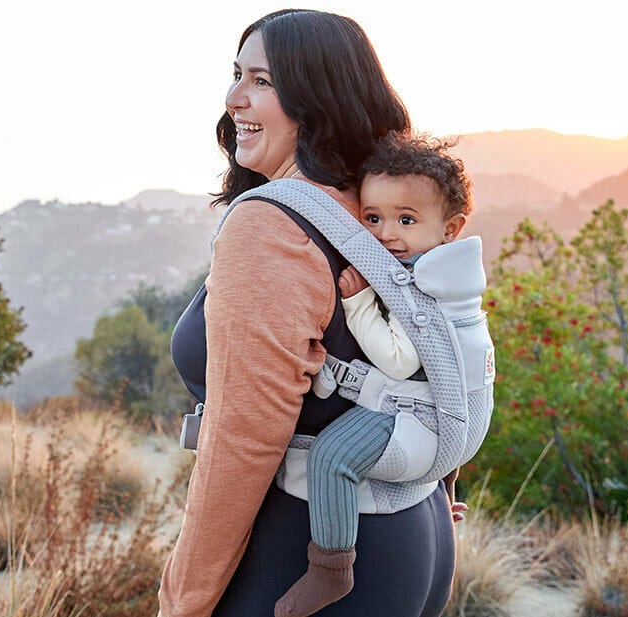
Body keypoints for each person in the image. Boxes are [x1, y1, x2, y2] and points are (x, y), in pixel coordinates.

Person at [157, 10, 462, 617]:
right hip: (412, 531)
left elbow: (245, 440)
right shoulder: (387, 210)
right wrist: (440, 473)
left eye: (262, 81)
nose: (233, 98)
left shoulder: (269, 227)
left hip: (304, 553)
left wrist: (182, 599)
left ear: (316, 98)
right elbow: (440, 351)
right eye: (236, 74)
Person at [275, 133, 475, 617]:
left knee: (332, 458)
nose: (385, 233)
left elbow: (399, 360)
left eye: (406, 220)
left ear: (450, 229)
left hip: (419, 418)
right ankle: (442, 498)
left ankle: (330, 568)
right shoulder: (444, 273)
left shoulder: (425, 286)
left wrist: (358, 301)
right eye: (372, 218)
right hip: (445, 420)